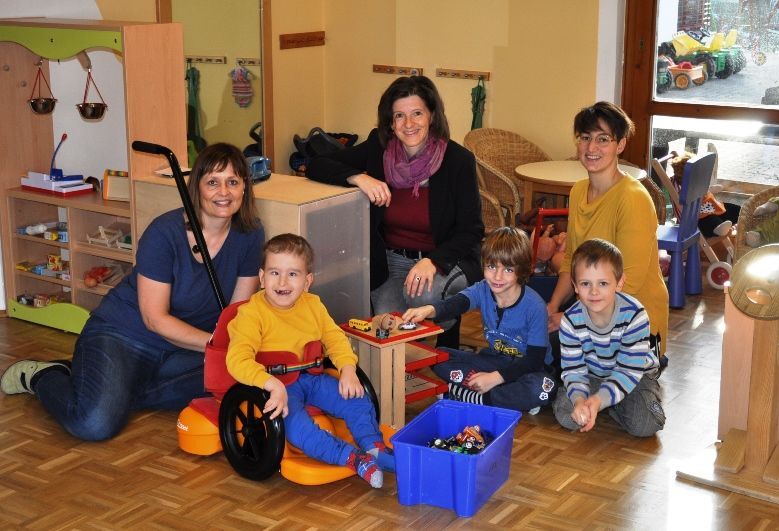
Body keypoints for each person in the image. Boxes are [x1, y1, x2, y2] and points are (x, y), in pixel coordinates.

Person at [0, 143, 265, 441]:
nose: (224, 192)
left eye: (233, 182)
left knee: (242, 377)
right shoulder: (164, 232)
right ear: (197, 187)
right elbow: (155, 320)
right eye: (213, 182)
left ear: (245, 187)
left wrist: (238, 348)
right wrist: (217, 347)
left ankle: (107, 385)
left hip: (186, 347)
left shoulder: (250, 234)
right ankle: (44, 375)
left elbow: (235, 313)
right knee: (93, 424)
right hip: (125, 335)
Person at [306, 75, 484, 348]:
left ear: (432, 116)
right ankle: (410, 361)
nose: (408, 124)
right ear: (390, 122)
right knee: (386, 326)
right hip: (392, 260)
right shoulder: (379, 148)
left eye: (417, 113)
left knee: (423, 298)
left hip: (446, 258)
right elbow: (317, 164)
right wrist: (359, 177)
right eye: (399, 115)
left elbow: (471, 230)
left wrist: (434, 261)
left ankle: (448, 339)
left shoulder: (458, 160)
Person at [226, 234, 393, 488]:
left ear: (307, 281)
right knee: (296, 426)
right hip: (277, 385)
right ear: (261, 278)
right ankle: (351, 457)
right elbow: (237, 360)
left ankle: (373, 447)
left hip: (312, 378)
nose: (282, 282)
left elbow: (335, 339)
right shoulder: (251, 314)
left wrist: (348, 369)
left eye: (293, 274)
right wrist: (271, 384)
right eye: (274, 273)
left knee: (358, 398)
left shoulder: (313, 305)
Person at [545, 101, 669, 361]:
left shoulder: (633, 198)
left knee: (546, 349)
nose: (591, 148)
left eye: (603, 139)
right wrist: (552, 307)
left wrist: (567, 319)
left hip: (634, 324)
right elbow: (571, 260)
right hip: (595, 306)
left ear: (620, 145)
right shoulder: (578, 190)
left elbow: (628, 284)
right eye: (585, 138)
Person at [402, 227, 555, 414]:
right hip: (494, 361)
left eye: (508, 269)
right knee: (438, 356)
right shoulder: (483, 288)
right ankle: (501, 396)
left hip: (529, 370)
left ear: (521, 270)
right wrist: (428, 310)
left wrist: (495, 378)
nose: (497, 277)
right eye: (491, 267)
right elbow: (458, 303)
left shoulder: (535, 306)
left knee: (543, 389)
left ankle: (476, 396)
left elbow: (534, 360)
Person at [553, 239, 665, 437]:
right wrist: (579, 400)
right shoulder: (570, 320)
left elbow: (628, 371)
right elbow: (574, 370)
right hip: (593, 376)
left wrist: (598, 401)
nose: (594, 291)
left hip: (635, 376)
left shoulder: (635, 315)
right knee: (566, 415)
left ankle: (608, 402)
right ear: (575, 286)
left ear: (619, 283)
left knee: (646, 425)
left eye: (603, 283)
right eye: (585, 283)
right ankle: (606, 402)